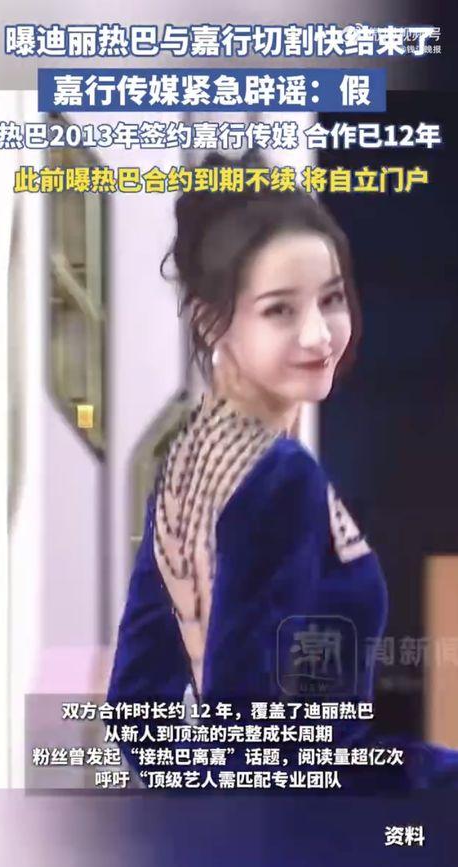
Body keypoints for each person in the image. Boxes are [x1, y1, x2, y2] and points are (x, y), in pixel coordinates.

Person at [106, 148, 458, 793]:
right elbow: (279, 747)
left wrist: (208, 814)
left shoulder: (190, 463)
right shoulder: (279, 478)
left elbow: (137, 713)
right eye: (280, 310)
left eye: (331, 299)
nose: (319, 334)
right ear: (212, 322)